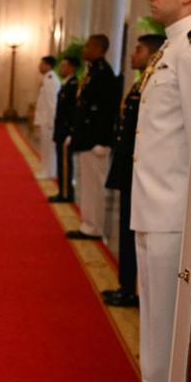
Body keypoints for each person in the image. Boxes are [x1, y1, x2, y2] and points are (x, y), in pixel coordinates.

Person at [111, 0, 191, 382]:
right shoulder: (172, 48)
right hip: (153, 202)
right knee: (154, 310)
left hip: (174, 209)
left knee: (167, 314)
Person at [102, 34, 166, 308]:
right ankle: (127, 285)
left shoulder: (151, 84)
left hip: (141, 171)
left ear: (151, 54)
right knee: (129, 230)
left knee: (135, 232)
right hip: (131, 168)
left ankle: (130, 288)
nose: (132, 54)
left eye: (138, 50)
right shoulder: (141, 83)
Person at [66, 34, 118, 239]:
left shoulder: (104, 74)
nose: (84, 49)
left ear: (98, 49)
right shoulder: (93, 72)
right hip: (86, 139)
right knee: (86, 185)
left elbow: (107, 111)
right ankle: (87, 224)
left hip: (95, 141)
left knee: (94, 187)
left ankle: (93, 227)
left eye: (88, 46)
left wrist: (102, 141)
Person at [49, 56, 81, 203]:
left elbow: (73, 111)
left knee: (65, 163)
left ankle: (66, 193)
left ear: (72, 68)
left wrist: (70, 132)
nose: (61, 69)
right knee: (61, 162)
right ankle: (62, 190)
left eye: (64, 66)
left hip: (66, 131)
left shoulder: (74, 85)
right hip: (61, 130)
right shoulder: (66, 84)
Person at [33, 55, 60, 179]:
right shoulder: (47, 78)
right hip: (45, 119)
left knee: (48, 148)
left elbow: (52, 102)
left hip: (48, 120)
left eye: (41, 63)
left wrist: (51, 122)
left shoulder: (50, 79)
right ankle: (46, 170)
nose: (39, 66)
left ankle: (48, 172)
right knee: (45, 147)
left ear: (48, 65)